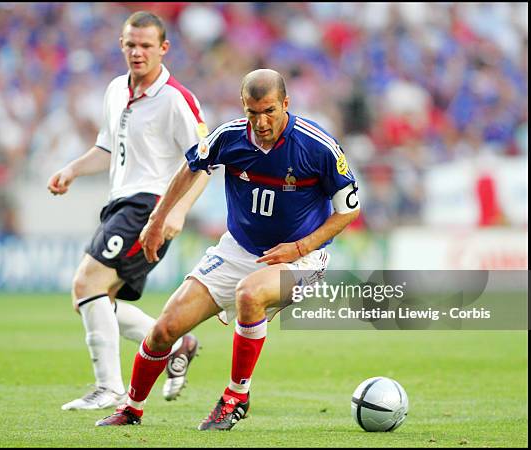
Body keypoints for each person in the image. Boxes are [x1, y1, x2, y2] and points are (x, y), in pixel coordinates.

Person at [95, 68, 361, 429]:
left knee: (250, 294)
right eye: (253, 112)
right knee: (164, 330)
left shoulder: (318, 147)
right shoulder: (229, 137)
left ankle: (236, 397)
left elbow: (349, 210)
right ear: (243, 107)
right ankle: (131, 408)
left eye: (269, 111)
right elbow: (190, 168)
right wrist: (158, 219)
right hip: (238, 249)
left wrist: (298, 247)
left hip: (302, 256)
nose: (261, 121)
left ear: (286, 104)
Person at [47, 11, 209, 411]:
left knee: (87, 285)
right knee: (95, 299)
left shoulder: (176, 99)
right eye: (131, 45)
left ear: (163, 49)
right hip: (119, 202)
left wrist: (178, 211)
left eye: (146, 46)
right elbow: (107, 148)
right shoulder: (117, 89)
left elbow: (205, 163)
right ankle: (175, 346)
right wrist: (73, 169)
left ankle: (111, 388)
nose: (138, 52)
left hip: (150, 205)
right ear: (122, 45)